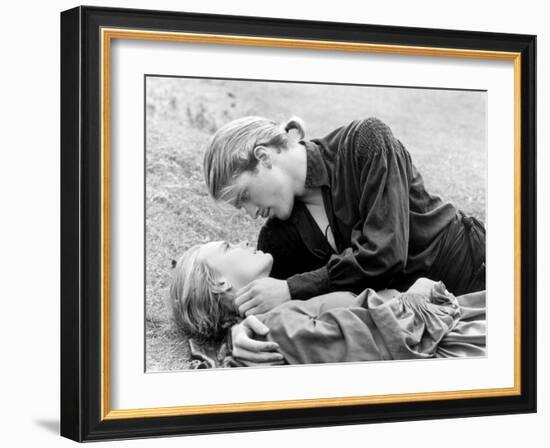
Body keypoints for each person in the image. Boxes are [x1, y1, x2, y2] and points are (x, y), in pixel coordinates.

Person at [203, 115, 486, 363]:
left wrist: (292, 287)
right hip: (429, 330)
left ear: (263, 158)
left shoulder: (365, 143)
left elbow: (384, 254)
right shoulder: (278, 239)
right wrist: (237, 332)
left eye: (244, 197)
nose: (252, 213)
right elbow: (276, 311)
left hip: (477, 273)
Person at [170, 240, 486, 367]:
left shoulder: (280, 311)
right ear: (218, 283)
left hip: (450, 327)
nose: (242, 242)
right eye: (228, 247)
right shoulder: (276, 330)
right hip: (451, 342)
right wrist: (418, 297)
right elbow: (376, 346)